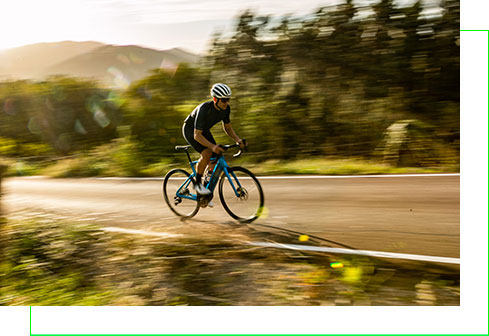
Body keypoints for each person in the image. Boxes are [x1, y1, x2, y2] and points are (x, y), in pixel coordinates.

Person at [183, 83, 245, 197]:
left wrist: (237, 139)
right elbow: (197, 135)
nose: (227, 103)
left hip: (203, 130)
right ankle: (197, 184)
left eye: (228, 100)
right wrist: (212, 146)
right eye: (224, 100)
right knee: (207, 153)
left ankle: (206, 187)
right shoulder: (204, 109)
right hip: (191, 130)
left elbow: (228, 128)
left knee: (216, 155)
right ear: (215, 99)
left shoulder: (226, 109)